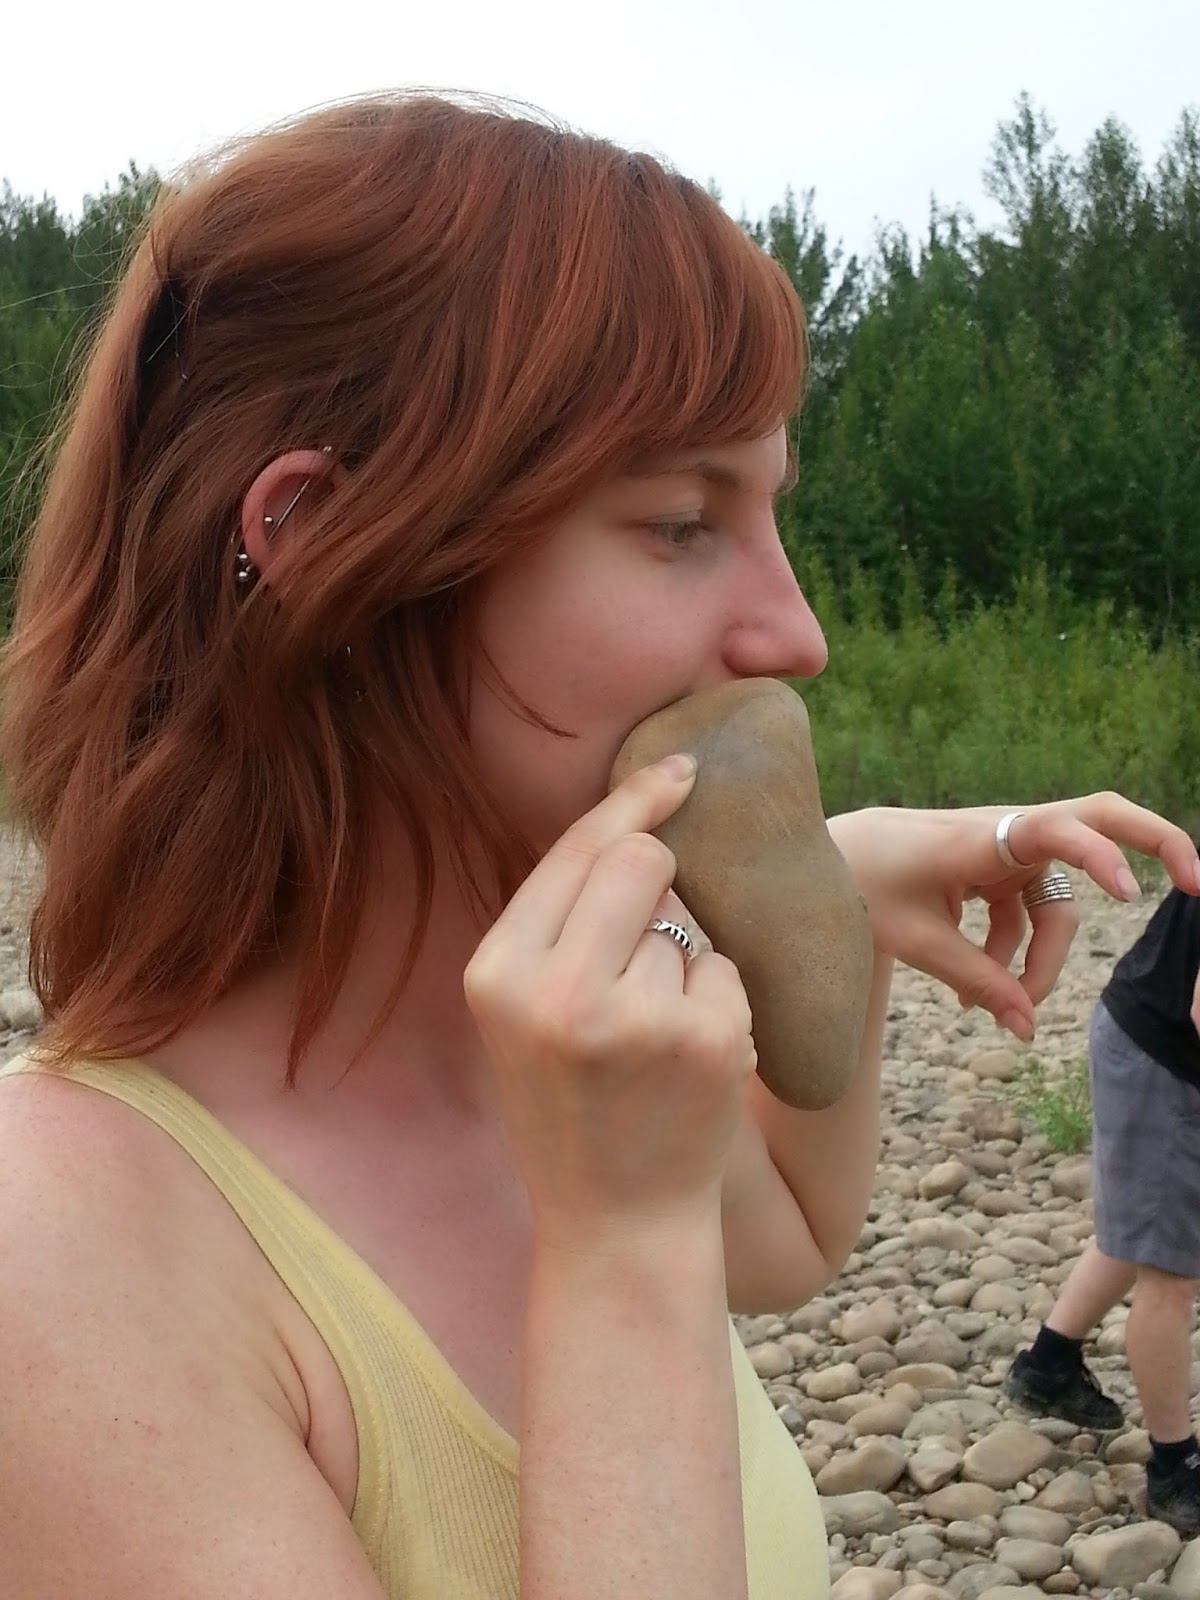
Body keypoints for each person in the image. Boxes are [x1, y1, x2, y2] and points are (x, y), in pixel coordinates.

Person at [0, 91, 1195, 1600]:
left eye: (770, 516)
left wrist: (827, 896)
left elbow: (793, 1235)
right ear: (317, 545)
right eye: (683, 523)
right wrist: (619, 1247)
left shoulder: (535, 1047)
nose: (798, 636)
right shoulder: (53, 1256)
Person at [1005, 884, 1200, 1536]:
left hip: (1146, 1036)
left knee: (1142, 1228)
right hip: (1161, 1055)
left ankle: (1048, 1365)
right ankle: (1174, 1468)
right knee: (1171, 1273)